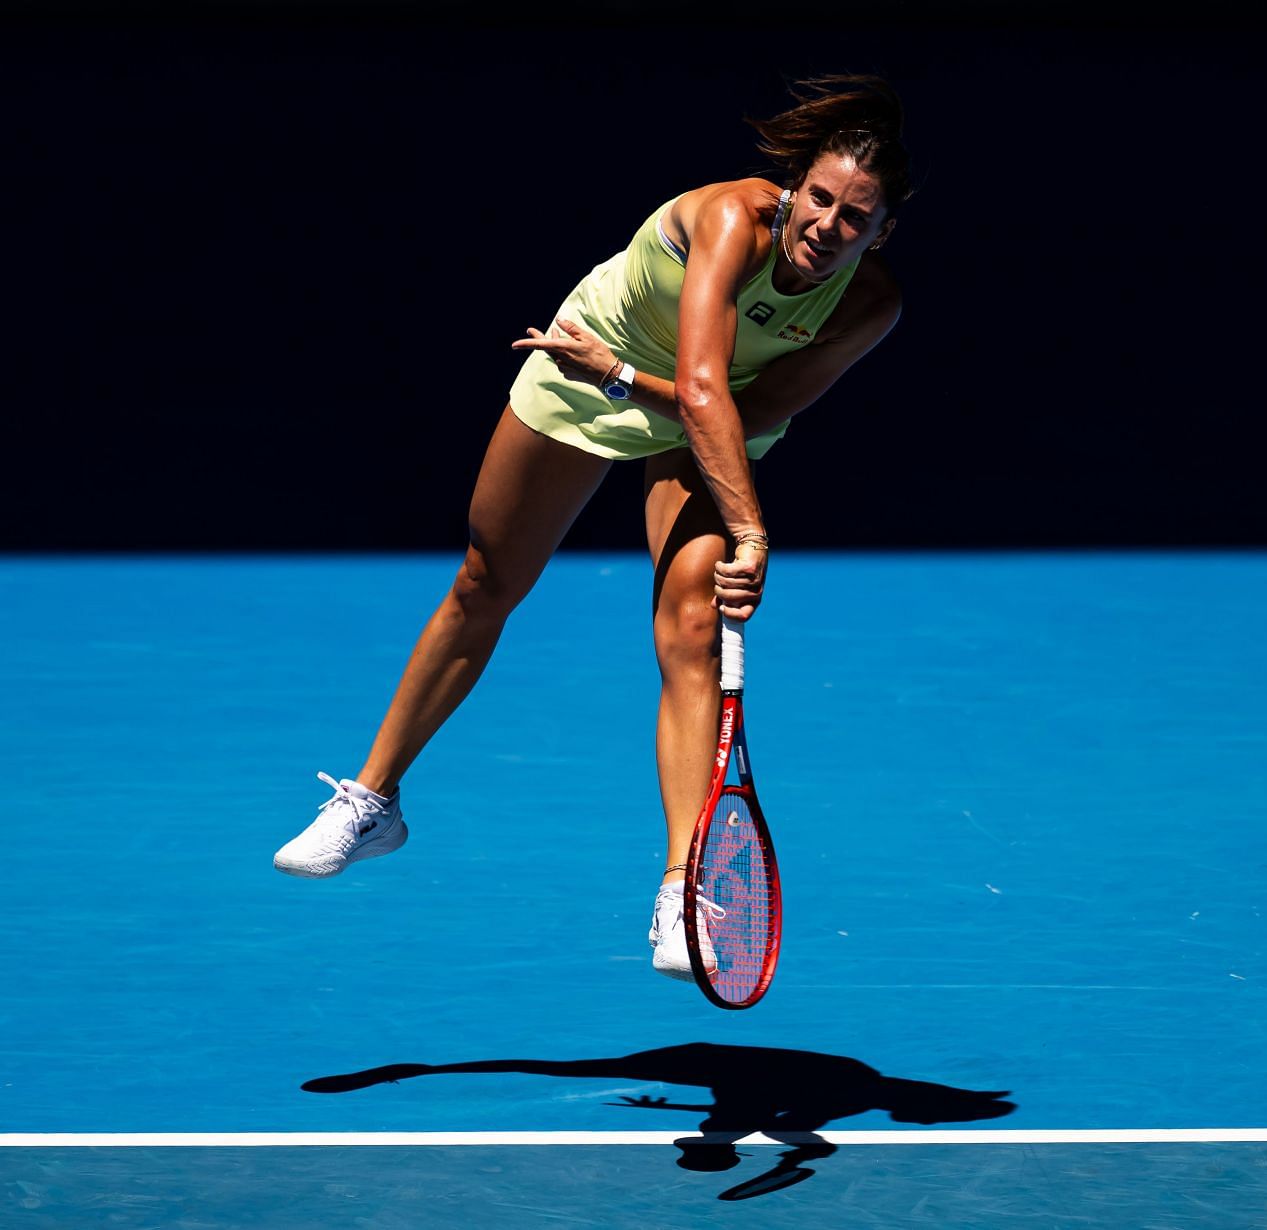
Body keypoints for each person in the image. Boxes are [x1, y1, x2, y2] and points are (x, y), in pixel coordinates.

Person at [271, 74, 911, 985]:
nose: (827, 227)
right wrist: (749, 528)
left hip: (688, 406)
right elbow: (699, 382)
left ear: (883, 230)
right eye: (818, 198)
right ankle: (375, 803)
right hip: (593, 365)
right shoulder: (731, 220)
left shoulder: (867, 305)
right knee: (486, 582)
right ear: (790, 189)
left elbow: (750, 401)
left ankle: (686, 891)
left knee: (691, 627)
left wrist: (634, 390)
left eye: (856, 217)